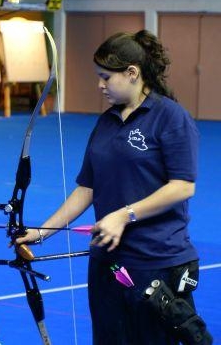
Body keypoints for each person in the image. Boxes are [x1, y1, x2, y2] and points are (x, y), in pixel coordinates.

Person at [15, 30, 212, 344]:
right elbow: (87, 188)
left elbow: (182, 186)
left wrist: (124, 215)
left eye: (106, 77)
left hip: (156, 263)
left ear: (132, 73)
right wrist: (42, 232)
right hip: (107, 263)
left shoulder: (171, 118)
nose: (100, 85)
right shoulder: (106, 121)